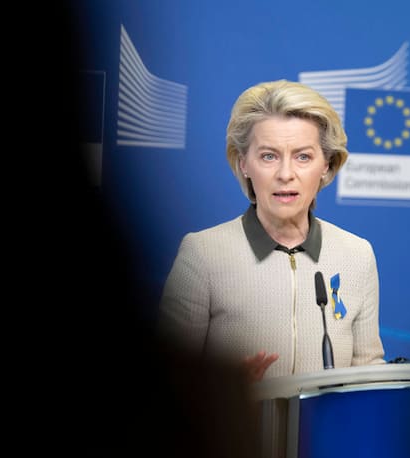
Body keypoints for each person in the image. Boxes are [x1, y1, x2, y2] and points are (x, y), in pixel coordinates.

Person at [159, 79, 385, 381]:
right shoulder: (202, 254)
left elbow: (369, 373)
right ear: (244, 164)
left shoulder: (357, 255)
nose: (285, 174)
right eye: (269, 156)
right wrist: (225, 390)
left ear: (326, 165)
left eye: (303, 157)